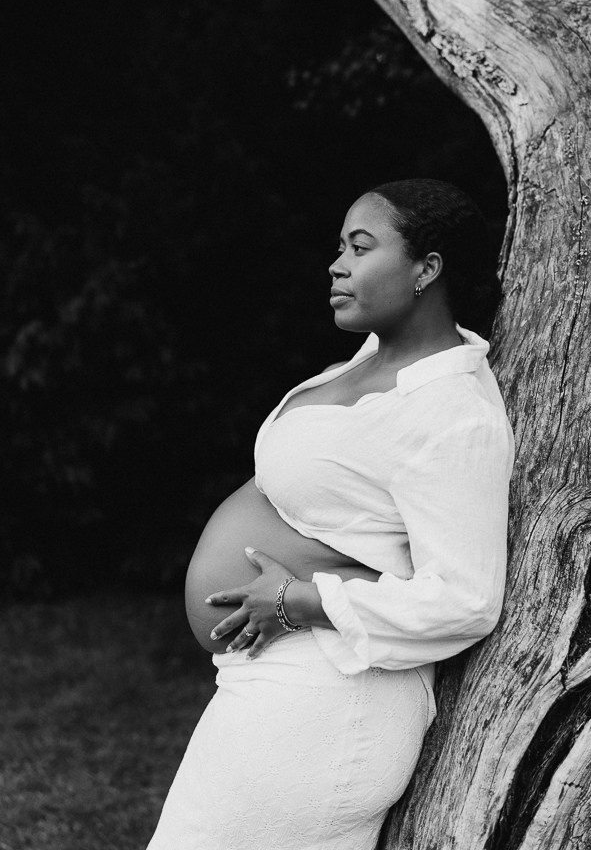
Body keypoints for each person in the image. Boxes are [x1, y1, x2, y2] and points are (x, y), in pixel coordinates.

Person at [147, 178, 514, 850]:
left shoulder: (453, 414)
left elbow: (466, 599)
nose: (336, 265)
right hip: (281, 687)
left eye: (360, 247)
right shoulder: (378, 358)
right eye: (340, 247)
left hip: (334, 700)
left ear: (427, 268)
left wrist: (298, 601)